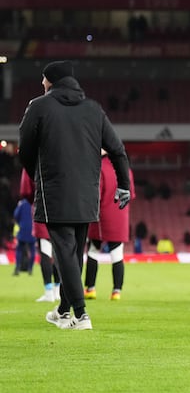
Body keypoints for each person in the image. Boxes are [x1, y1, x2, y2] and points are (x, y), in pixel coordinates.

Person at [18, 60, 131, 331]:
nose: (42, 84)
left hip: (55, 191)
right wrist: (123, 184)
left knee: (65, 253)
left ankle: (80, 315)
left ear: (52, 81)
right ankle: (63, 310)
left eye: (44, 80)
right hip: (87, 192)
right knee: (75, 253)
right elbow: (117, 150)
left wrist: (38, 171)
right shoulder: (94, 110)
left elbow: (24, 148)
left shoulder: (39, 106)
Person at [84, 150, 136, 301]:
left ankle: (90, 288)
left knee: (93, 250)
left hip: (102, 216)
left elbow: (96, 194)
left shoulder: (98, 166)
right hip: (120, 216)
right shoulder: (125, 168)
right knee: (117, 254)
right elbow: (131, 194)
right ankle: (116, 291)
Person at [20, 169, 61, 302]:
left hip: (42, 210)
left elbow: (26, 191)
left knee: (46, 252)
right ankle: (57, 290)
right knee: (59, 253)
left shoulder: (32, 160)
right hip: (62, 211)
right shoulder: (61, 156)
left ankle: (49, 292)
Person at [13, 194, 36, 276]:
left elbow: (15, 215)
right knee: (32, 250)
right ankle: (30, 269)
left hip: (22, 230)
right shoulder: (35, 204)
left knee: (19, 249)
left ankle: (17, 268)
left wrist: (20, 222)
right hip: (33, 230)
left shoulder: (22, 203)